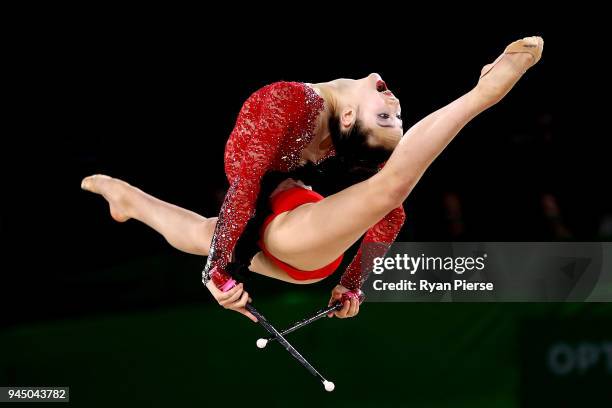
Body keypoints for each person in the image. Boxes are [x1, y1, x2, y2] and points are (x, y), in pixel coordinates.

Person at [82, 36, 544, 322]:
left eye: (389, 116)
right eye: (395, 116)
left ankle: (483, 95)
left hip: (291, 235)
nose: (397, 104)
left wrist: (353, 281)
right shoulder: (292, 106)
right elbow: (242, 192)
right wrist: (221, 267)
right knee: (203, 232)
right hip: (271, 231)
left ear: (348, 118)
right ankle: (128, 198)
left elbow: (392, 209)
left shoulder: (307, 114)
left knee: (388, 188)